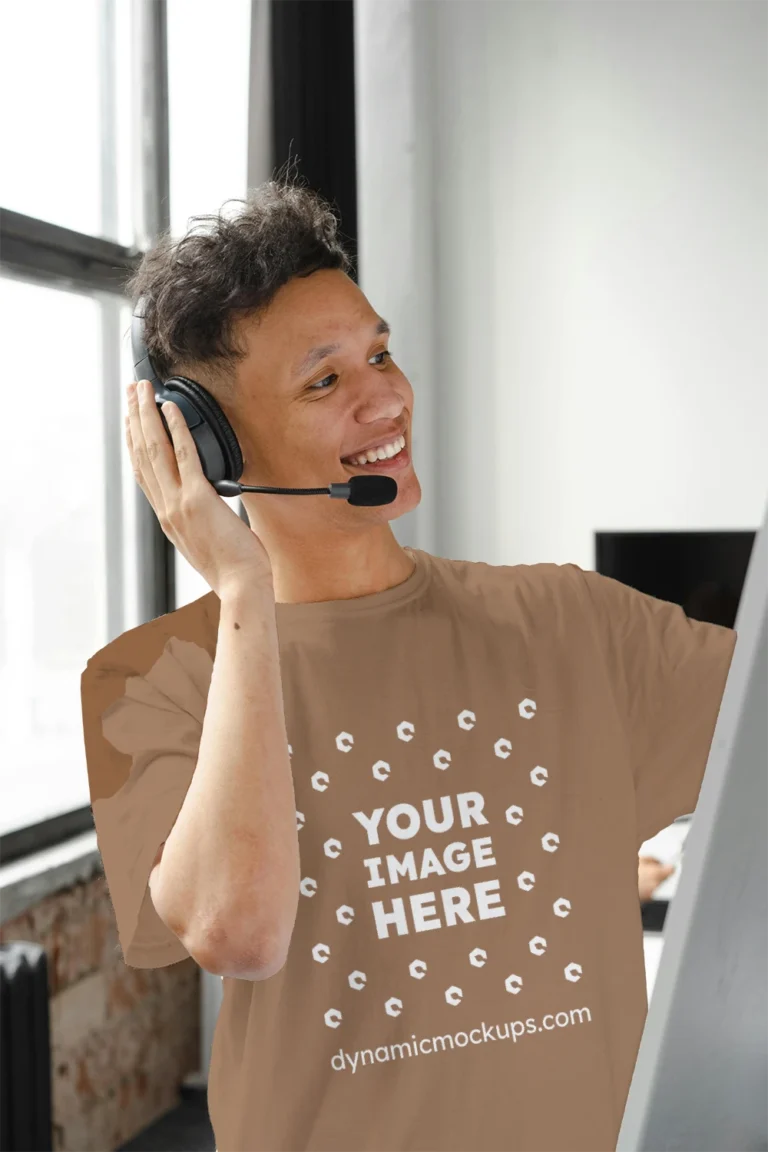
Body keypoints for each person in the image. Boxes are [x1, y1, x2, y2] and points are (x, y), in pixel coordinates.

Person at [80, 175, 737, 1152]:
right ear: (210, 448)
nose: (385, 394)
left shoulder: (572, 621)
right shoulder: (153, 682)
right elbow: (239, 930)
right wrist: (243, 591)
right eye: (325, 380)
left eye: (379, 352)